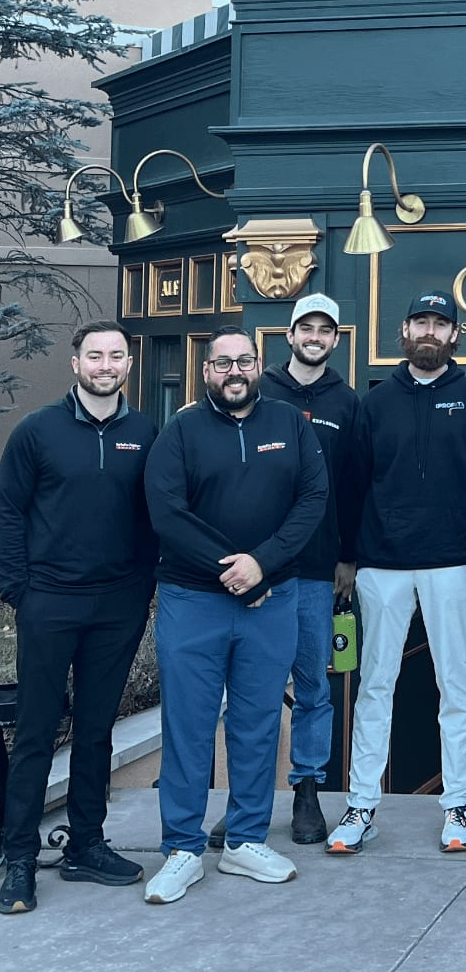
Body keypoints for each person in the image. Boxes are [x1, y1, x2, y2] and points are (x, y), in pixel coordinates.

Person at [142, 326, 327, 903]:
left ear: (258, 364)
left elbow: (313, 499)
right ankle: (182, 848)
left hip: (273, 599)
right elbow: (166, 513)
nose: (234, 372)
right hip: (193, 600)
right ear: (206, 372)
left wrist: (263, 565)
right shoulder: (180, 431)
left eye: (243, 361)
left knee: (257, 724)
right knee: (189, 726)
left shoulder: (291, 424)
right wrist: (234, 572)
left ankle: (245, 840)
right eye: (222, 363)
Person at [326, 288, 466, 855]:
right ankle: (360, 807)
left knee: (457, 685)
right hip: (382, 566)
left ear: (454, 335)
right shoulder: (374, 402)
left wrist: (463, 539)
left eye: (440, 323)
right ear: (404, 332)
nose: (430, 331)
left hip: (452, 562)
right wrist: (349, 556)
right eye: (420, 321)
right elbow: (354, 483)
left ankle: (457, 807)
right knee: (375, 685)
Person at [0, 321, 156, 915]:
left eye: (116, 356)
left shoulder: (143, 431)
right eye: (95, 355)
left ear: (128, 365)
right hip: (50, 602)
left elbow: (152, 515)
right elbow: (9, 513)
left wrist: (143, 584)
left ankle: (86, 843)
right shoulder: (38, 431)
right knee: (37, 731)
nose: (106, 365)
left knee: (96, 730)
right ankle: (18, 857)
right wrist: (20, 590)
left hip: (118, 606)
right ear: (75, 363)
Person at [206, 293, 359, 848]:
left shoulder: (348, 404)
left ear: (335, 338)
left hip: (318, 568)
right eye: (305, 328)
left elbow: (353, 486)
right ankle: (244, 799)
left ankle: (308, 791)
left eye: (325, 329)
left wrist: (350, 555)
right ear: (289, 335)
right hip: (257, 570)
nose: (314, 336)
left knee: (315, 686)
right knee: (251, 691)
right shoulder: (259, 390)